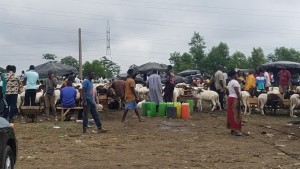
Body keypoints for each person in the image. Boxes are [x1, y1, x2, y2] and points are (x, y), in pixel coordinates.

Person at [227, 70, 242, 136]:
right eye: (236, 74)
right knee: (236, 114)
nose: (237, 75)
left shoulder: (230, 82)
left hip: (230, 97)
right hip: (235, 98)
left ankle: (232, 129)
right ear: (234, 75)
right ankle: (235, 130)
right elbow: (237, 91)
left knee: (231, 113)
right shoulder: (235, 82)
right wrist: (240, 98)